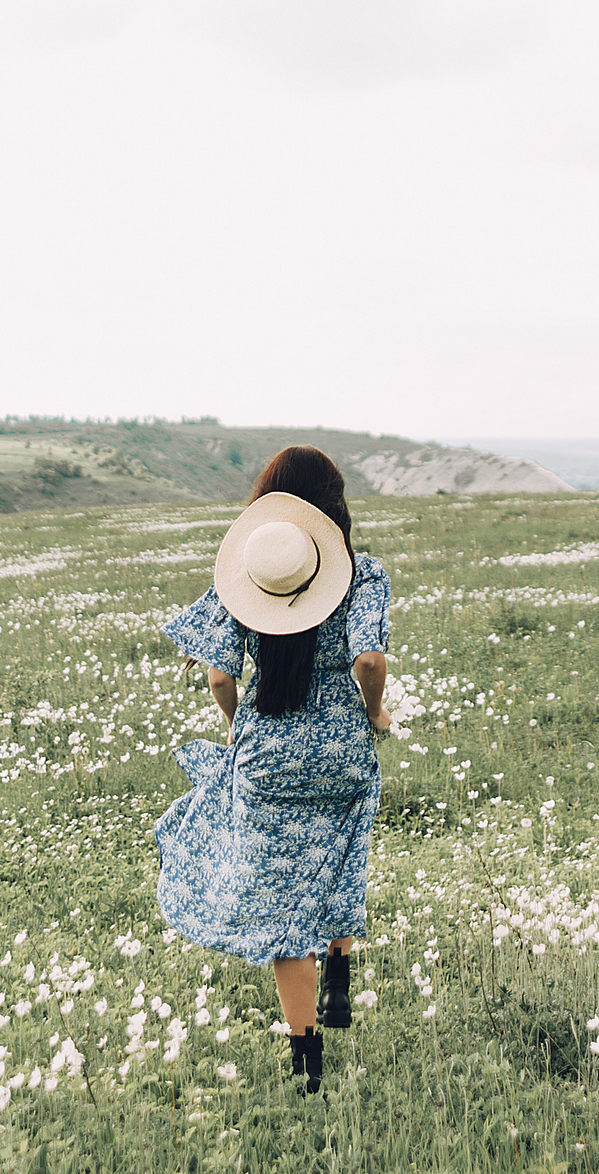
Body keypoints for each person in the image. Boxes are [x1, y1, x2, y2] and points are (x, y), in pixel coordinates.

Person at [154, 446, 392, 1095]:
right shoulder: (363, 574)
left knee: (284, 908)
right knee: (342, 850)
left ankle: (307, 1061)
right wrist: (373, 713)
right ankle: (339, 974)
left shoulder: (247, 576)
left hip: (266, 759)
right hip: (342, 753)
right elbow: (369, 660)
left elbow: (219, 673)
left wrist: (235, 722)